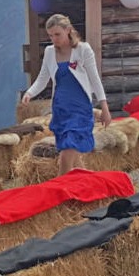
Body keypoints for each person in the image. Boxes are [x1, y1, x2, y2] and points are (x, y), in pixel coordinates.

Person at [21, 13, 112, 176]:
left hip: (80, 108)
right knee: (71, 154)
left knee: (67, 151)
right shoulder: (49, 52)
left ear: (68, 30)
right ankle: (87, 185)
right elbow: (42, 78)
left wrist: (104, 107)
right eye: (50, 35)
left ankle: (60, 186)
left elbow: (95, 79)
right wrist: (30, 93)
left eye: (57, 34)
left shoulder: (83, 50)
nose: (54, 39)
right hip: (61, 108)